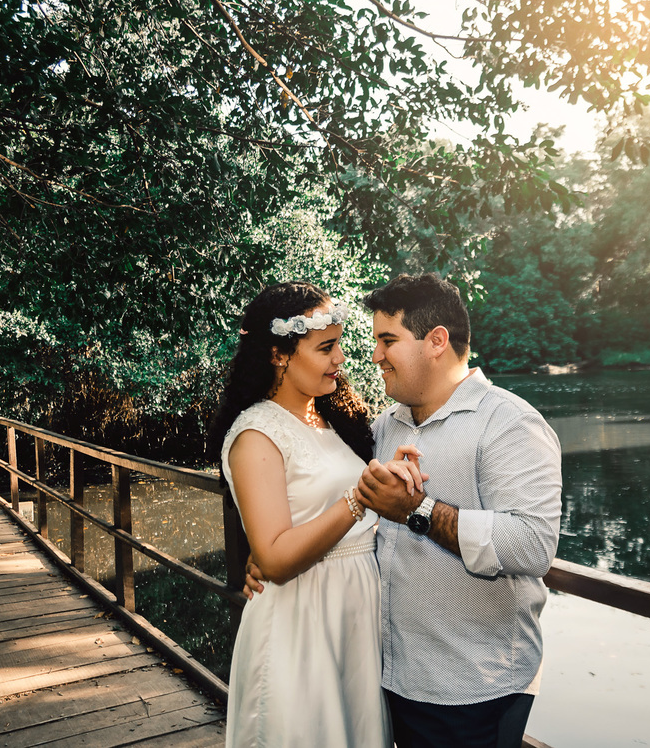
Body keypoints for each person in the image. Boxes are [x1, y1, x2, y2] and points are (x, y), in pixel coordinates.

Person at [246, 273, 563, 748]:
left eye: (387, 340)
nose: (373, 356)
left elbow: (533, 546)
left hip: (471, 688)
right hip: (388, 678)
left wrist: (420, 509)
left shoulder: (510, 424)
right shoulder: (384, 428)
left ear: (436, 342)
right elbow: (344, 507)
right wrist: (269, 550)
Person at [212, 281, 422, 748]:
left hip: (354, 619)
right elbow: (276, 559)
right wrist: (360, 498)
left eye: (340, 345)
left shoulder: (332, 419)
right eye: (326, 348)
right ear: (279, 354)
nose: (341, 359)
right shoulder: (256, 434)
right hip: (301, 623)